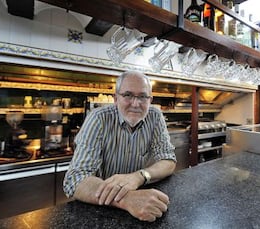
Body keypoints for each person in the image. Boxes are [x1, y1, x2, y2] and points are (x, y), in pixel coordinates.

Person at [63, 70, 177, 222]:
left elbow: (168, 160)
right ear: (116, 98)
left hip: (142, 200)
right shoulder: (99, 118)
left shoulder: (155, 116)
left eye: (143, 96)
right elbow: (75, 179)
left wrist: (139, 176)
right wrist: (127, 199)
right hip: (101, 207)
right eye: (128, 95)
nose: (135, 104)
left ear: (150, 99)